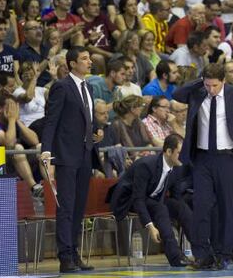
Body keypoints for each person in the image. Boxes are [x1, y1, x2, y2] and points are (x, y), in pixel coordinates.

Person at [172, 63, 233, 270]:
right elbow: (178, 94)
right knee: (202, 206)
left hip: (228, 158)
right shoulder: (198, 92)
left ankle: (224, 254)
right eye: (207, 85)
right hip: (202, 158)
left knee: (226, 207)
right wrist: (201, 80)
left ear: (223, 81)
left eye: (215, 85)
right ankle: (202, 255)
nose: (211, 90)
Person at [40, 46, 100, 273]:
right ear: (72, 64)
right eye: (84, 58)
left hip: (85, 153)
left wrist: (97, 131)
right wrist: (47, 150)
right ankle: (65, 256)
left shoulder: (90, 87)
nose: (89, 62)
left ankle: (74, 252)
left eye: (89, 58)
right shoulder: (61, 87)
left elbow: (87, 118)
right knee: (66, 206)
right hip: (66, 155)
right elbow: (51, 120)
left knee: (79, 207)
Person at [109, 134, 192, 267]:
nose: (182, 157)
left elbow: (176, 198)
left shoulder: (176, 168)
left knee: (180, 206)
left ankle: (202, 251)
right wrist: (151, 226)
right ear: (169, 152)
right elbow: (138, 199)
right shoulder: (146, 165)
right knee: (160, 208)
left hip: (153, 200)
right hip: (129, 201)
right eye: (179, 153)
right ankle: (176, 257)